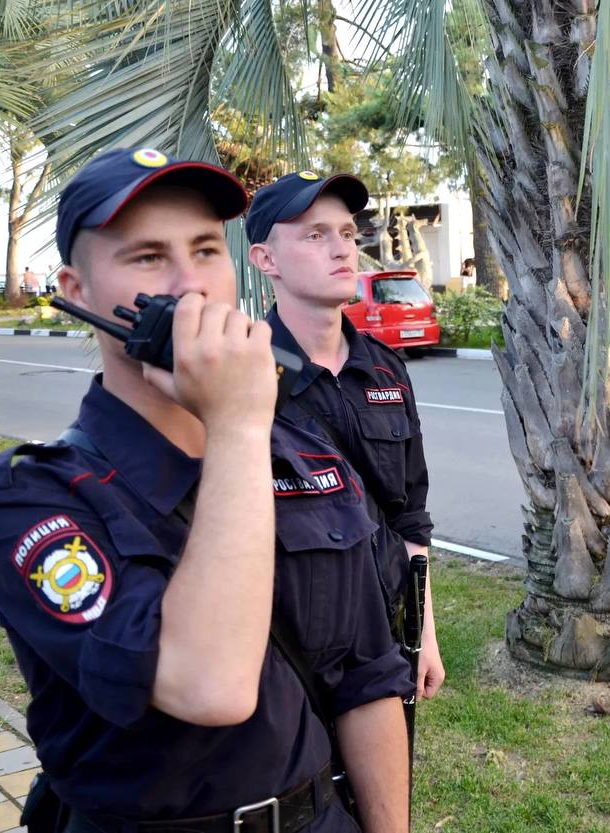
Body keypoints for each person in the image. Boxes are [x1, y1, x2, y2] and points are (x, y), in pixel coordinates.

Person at [0, 148, 410, 833]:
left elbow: (367, 679)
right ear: (76, 291)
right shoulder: (31, 495)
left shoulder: (309, 459)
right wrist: (236, 421)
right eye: (147, 257)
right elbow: (210, 685)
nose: (189, 284)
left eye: (207, 249)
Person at [246, 171, 446, 702]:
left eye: (348, 234)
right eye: (315, 236)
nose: (341, 249)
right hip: (286, 654)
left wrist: (422, 633)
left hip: (383, 645)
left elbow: (409, 514)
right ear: (265, 260)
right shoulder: (241, 371)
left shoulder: (384, 370)